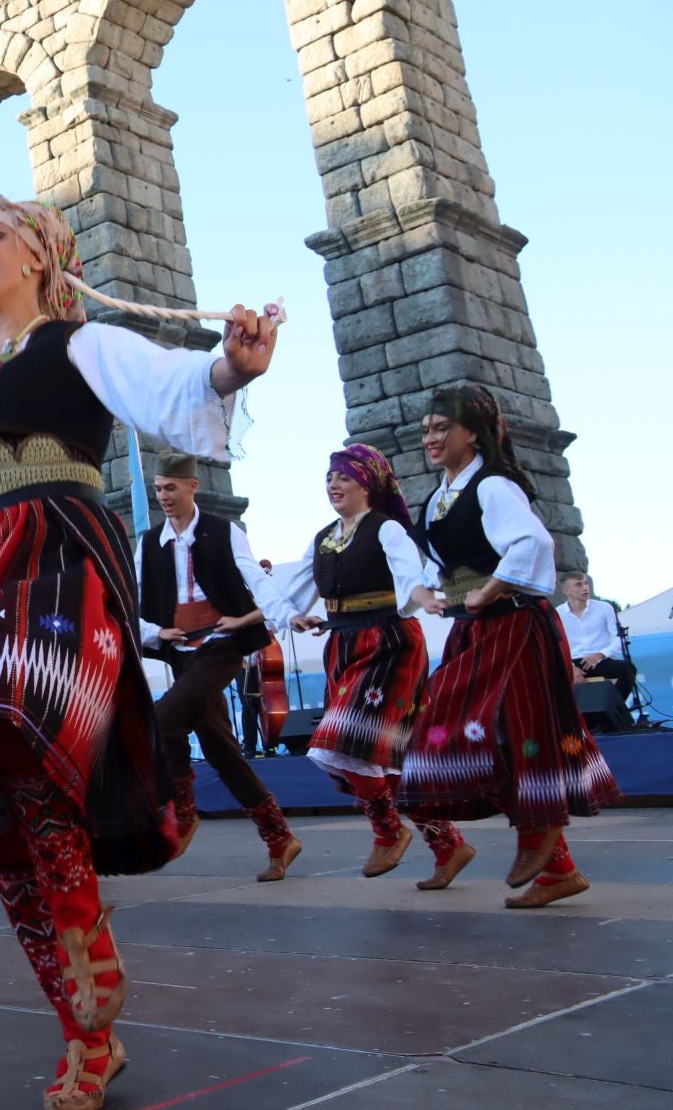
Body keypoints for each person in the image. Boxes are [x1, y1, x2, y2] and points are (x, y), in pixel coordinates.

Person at [0, 195, 281, 1110]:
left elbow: (176, 385)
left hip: (53, 557)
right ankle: (83, 1014)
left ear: (40, 259)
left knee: (9, 717)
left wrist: (231, 366)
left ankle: (92, 982)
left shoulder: (80, 346)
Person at [397, 385, 622, 909]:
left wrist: (492, 588)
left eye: (441, 428)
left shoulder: (494, 486)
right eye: (426, 429)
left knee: (517, 729)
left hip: (516, 625)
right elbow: (440, 561)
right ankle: (555, 861)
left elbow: (534, 543)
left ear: (471, 433)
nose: (430, 438)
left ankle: (541, 828)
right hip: (474, 630)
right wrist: (431, 592)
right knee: (447, 732)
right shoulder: (439, 497)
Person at [275, 445, 472, 888]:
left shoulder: (387, 531)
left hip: (389, 643)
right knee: (386, 756)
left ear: (366, 483)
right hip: (342, 646)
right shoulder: (325, 537)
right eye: (329, 478)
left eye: (342, 477)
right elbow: (293, 592)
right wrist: (290, 614)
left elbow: (409, 577)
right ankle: (447, 845)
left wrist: (423, 597)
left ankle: (388, 830)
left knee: (341, 740)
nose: (333, 485)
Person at [137, 453, 300, 880]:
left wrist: (285, 613)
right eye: (158, 488)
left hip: (223, 644)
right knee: (220, 747)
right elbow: (131, 598)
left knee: (163, 718)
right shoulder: (150, 542)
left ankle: (184, 809)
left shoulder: (224, 532)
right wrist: (155, 633)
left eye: (171, 487)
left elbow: (255, 578)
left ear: (192, 486)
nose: (163, 496)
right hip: (183, 650)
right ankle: (279, 838)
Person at [557, 573, 634, 729]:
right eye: (578, 585)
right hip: (574, 661)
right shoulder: (558, 613)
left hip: (600, 658)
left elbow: (618, 639)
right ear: (567, 591)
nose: (585, 588)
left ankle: (611, 712)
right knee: (552, 678)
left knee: (627, 669)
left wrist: (600, 654)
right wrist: (571, 668)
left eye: (585, 583)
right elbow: (556, 645)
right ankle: (573, 724)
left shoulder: (604, 607)